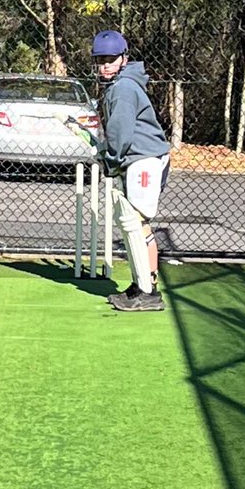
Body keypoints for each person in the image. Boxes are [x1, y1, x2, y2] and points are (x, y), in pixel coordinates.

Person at [92, 29, 171, 312]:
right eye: (100, 59)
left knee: (134, 222)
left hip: (144, 159)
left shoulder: (123, 89)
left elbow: (121, 133)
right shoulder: (119, 85)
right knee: (135, 224)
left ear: (124, 58)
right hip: (139, 158)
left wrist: (111, 160)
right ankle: (143, 285)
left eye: (110, 59)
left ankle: (148, 293)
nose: (104, 65)